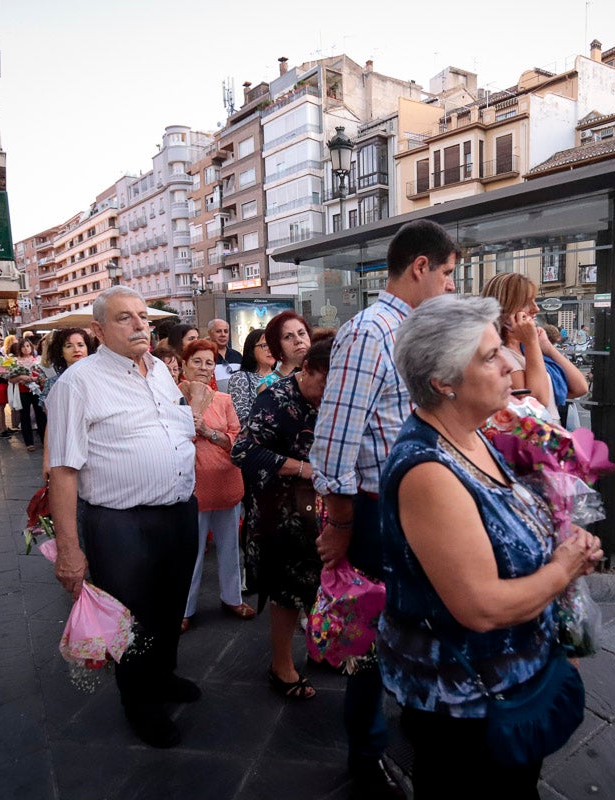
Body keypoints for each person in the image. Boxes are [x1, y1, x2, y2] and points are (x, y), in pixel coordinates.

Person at [377, 294, 602, 798]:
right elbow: (480, 606)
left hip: (502, 686)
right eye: (491, 355)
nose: (512, 363)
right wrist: (561, 570)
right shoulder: (428, 471)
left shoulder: (472, 435)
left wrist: (560, 544)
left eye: (504, 347)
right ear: (443, 382)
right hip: (466, 708)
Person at [312, 218, 459, 798]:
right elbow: (336, 441)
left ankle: (414, 719)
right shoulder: (370, 332)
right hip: (376, 511)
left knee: (411, 621)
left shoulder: (415, 331)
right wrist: (342, 525)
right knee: (371, 635)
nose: (451, 286)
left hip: (415, 505)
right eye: (447, 273)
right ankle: (366, 752)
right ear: (419, 266)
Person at [45, 286, 200, 749]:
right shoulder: (78, 384)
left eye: (142, 317)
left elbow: (172, 428)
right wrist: (70, 551)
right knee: (131, 617)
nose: (139, 326)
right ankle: (140, 704)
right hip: (119, 522)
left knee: (171, 604)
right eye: (124, 318)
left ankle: (164, 675)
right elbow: (64, 471)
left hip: (177, 510)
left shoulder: (159, 373)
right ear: (98, 330)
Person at [231, 332, 335, 701]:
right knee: (287, 590)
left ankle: (321, 647)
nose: (330, 393)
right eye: (325, 382)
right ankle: (281, 664)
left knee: (323, 583)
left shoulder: (334, 398)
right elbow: (243, 451)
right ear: (307, 368)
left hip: (322, 510)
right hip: (281, 512)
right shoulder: (275, 398)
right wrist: (304, 469)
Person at [180, 339, 253, 628]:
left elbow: (238, 438)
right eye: (196, 361)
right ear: (184, 364)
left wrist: (209, 432)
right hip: (192, 487)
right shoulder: (172, 398)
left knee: (230, 548)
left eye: (209, 362)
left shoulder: (223, 400)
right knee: (192, 553)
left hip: (225, 481)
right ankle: (184, 608)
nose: (203, 367)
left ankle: (232, 598)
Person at [481, 273, 586, 422]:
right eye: (527, 303)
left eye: (534, 301)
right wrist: (532, 343)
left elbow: (580, 387)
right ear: (505, 308)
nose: (536, 308)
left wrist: (548, 348)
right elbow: (536, 402)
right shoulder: (501, 354)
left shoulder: (528, 349)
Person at [40, 327, 97, 483]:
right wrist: (47, 460)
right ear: (61, 351)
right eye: (69, 345)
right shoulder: (55, 383)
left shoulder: (99, 378)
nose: (76, 349)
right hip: (66, 450)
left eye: (80, 344)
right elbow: (51, 424)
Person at [228, 328, 276, 424]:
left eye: (273, 345)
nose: (270, 349)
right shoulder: (241, 377)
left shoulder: (284, 377)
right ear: (251, 350)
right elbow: (241, 417)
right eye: (265, 345)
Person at [256, 310, 310, 393]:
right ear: (277, 345)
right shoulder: (268, 385)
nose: (298, 340)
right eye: (288, 337)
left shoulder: (323, 374)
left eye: (301, 333)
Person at [8, 338, 46, 453]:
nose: (26, 348)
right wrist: (20, 377)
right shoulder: (15, 362)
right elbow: (10, 379)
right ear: (20, 348)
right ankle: (29, 442)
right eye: (23, 346)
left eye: (28, 346)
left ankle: (45, 440)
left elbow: (43, 377)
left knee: (41, 415)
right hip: (22, 391)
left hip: (37, 391)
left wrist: (34, 379)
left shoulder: (38, 360)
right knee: (25, 416)